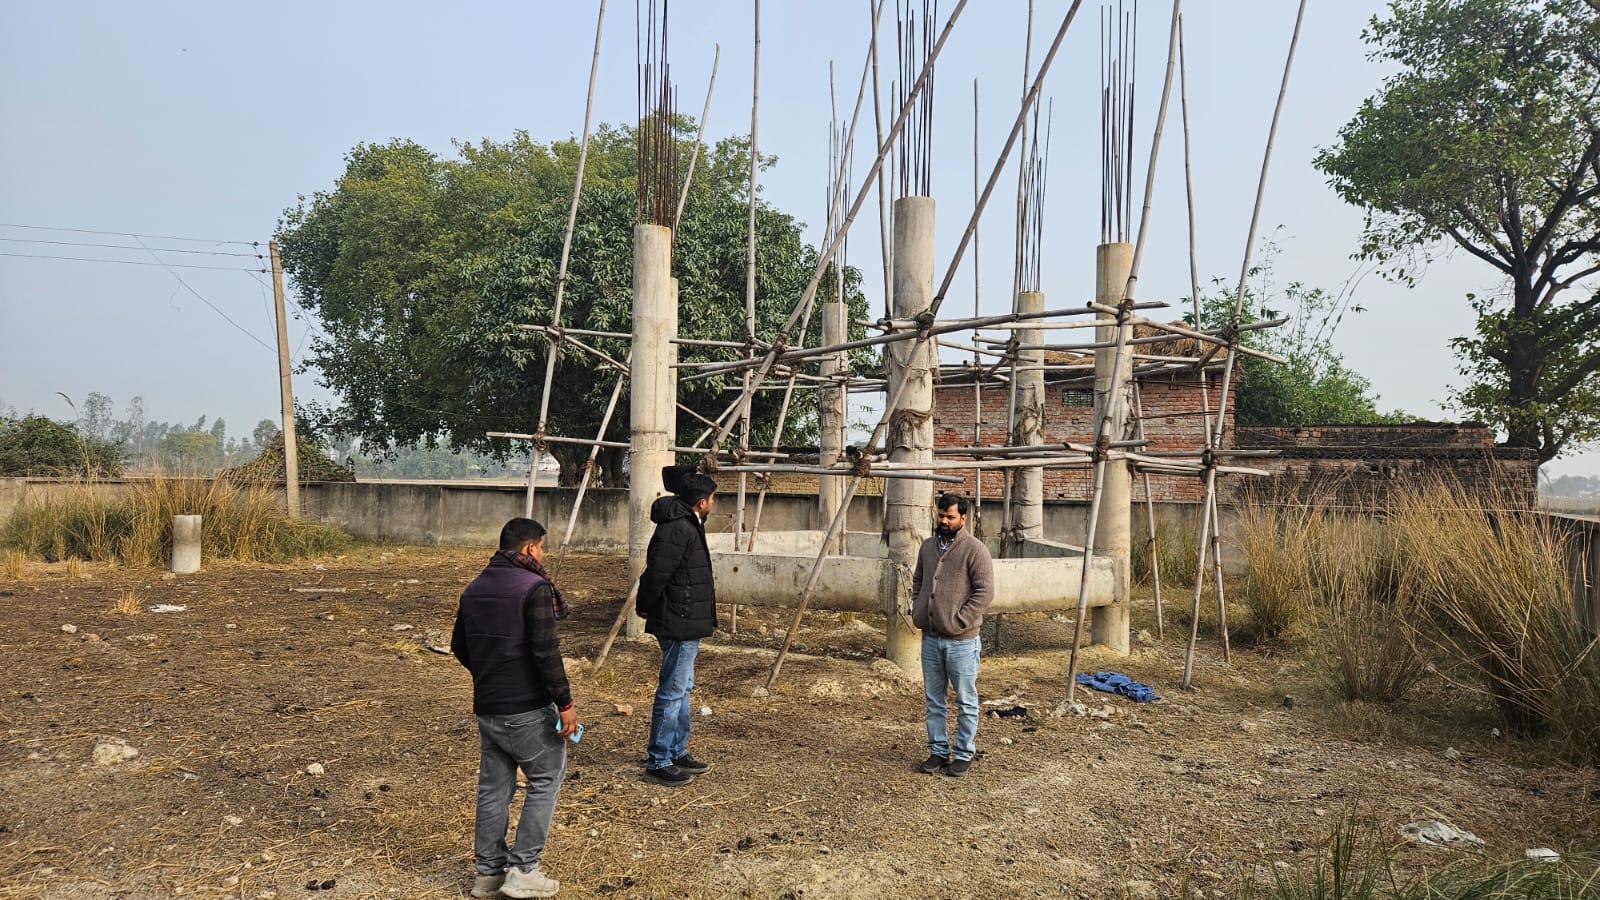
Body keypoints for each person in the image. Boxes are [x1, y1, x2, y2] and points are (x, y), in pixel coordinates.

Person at [451, 517, 578, 899]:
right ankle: (524, 870)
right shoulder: (534, 587)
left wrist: (489, 673)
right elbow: (546, 653)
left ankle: (488, 874)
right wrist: (566, 704)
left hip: (487, 706)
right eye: (542, 548)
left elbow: (459, 646)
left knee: (493, 788)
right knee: (546, 778)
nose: (543, 555)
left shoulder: (475, 588)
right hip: (526, 708)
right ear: (529, 548)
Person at [635, 465, 719, 787]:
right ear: (701, 502)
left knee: (682, 688)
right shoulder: (678, 528)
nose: (713, 503)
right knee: (672, 691)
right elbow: (656, 573)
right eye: (711, 498)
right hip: (678, 619)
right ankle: (659, 760)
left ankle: (676, 751)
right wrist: (645, 605)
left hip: (685, 618)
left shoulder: (689, 522)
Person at [910, 493, 994, 778]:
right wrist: (918, 607)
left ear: (963, 518)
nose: (944, 521)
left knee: (965, 700)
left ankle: (963, 753)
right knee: (934, 699)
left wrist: (959, 621)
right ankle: (938, 751)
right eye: (941, 515)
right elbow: (918, 580)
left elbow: (984, 592)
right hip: (930, 638)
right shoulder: (927, 547)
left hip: (962, 641)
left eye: (950, 517)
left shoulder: (975, 550)